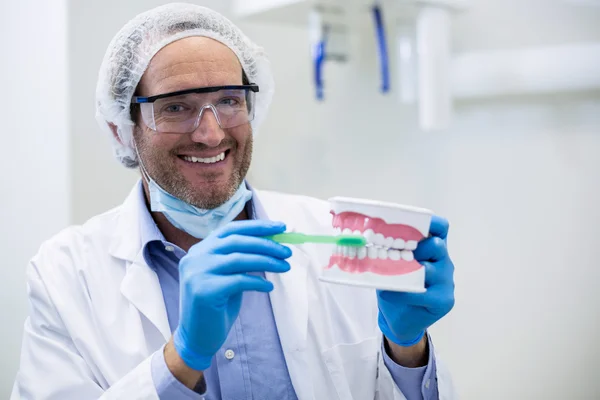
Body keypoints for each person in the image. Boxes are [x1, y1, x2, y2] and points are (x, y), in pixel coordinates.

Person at [11, 3, 456, 399]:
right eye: (175, 107)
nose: (211, 133)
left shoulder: (336, 237)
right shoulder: (65, 275)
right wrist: (181, 359)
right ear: (121, 129)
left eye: (228, 100)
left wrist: (407, 347)